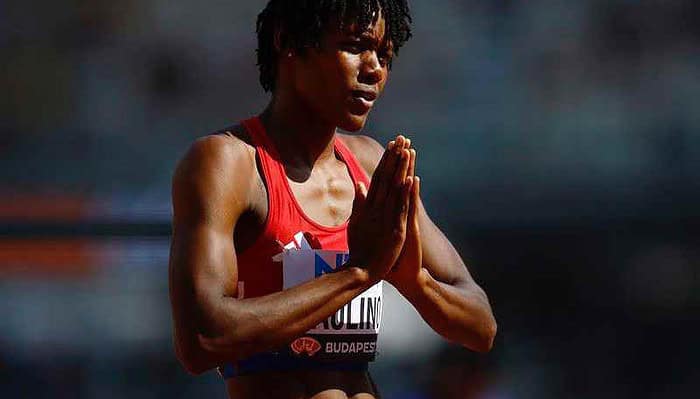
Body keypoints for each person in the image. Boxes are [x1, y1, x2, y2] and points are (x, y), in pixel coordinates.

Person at [168, 1, 497, 398]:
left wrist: (415, 282)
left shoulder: (372, 165)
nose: (374, 69)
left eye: (385, 55)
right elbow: (203, 339)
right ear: (287, 40)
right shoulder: (228, 163)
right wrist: (356, 274)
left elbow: (481, 325)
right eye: (356, 46)